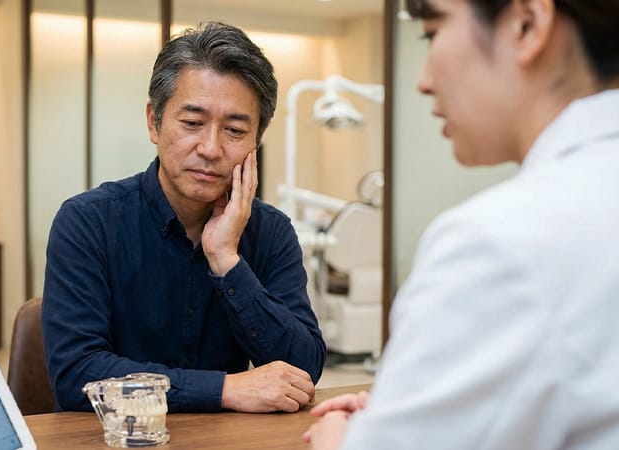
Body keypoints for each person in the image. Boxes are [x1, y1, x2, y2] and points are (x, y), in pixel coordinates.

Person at [304, 0, 619, 448]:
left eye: (432, 33)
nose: (423, 80)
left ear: (527, 23)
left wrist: (339, 439)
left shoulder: (499, 243)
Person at [42, 21, 326, 414]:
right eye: (192, 123)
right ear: (154, 122)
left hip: (226, 441)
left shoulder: (270, 231)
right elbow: (76, 374)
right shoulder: (87, 222)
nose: (210, 148)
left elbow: (303, 370)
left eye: (234, 130)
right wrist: (224, 389)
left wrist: (227, 260)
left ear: (256, 141)